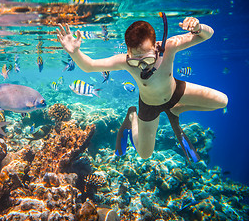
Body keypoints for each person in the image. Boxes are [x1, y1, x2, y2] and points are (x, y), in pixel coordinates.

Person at [56, 13, 228, 162]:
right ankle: (133, 116)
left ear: (156, 47)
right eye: (134, 60)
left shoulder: (169, 46)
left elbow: (207, 35)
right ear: (128, 52)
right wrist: (75, 52)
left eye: (147, 60)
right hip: (149, 105)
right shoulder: (124, 61)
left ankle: (176, 109)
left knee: (222, 101)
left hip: (175, 92)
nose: (141, 66)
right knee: (145, 154)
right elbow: (90, 66)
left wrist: (198, 28)